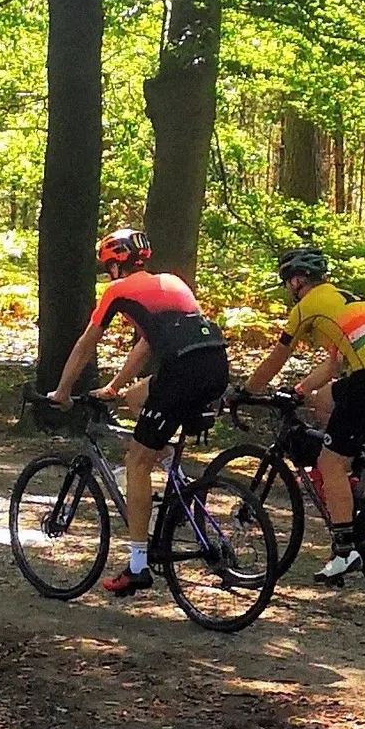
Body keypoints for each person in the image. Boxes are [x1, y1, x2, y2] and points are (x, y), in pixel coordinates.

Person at [49, 228, 229, 597]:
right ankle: (169, 473)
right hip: (215, 362)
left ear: (116, 265)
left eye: (108, 267)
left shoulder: (117, 291)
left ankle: (137, 566)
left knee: (136, 461)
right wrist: (116, 386)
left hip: (182, 371)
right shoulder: (172, 282)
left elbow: (86, 345)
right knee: (136, 399)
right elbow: (147, 346)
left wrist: (63, 391)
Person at [237, 246, 365, 582]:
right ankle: (357, 476)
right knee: (324, 400)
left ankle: (345, 549)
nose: (288, 289)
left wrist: (247, 392)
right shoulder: (345, 298)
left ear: (296, 280)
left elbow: (277, 359)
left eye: (287, 281)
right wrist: (301, 391)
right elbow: (334, 363)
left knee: (328, 462)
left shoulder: (307, 306)